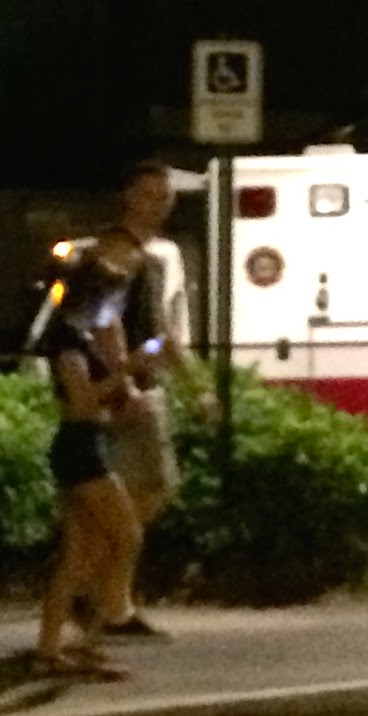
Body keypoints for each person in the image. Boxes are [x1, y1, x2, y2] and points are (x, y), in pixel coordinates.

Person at [77, 161, 213, 638]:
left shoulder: (151, 257)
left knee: (140, 495)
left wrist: (194, 384)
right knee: (141, 496)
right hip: (124, 395)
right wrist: (126, 385)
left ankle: (101, 594)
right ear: (128, 196)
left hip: (139, 387)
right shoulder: (117, 252)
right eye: (151, 194)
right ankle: (104, 598)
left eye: (166, 196)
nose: (161, 204)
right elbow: (103, 322)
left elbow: (160, 332)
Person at [31, 242, 147, 680]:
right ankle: (91, 631)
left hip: (86, 444)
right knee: (125, 536)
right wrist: (127, 370)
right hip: (81, 449)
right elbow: (81, 402)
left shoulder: (76, 337)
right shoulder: (67, 342)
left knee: (80, 552)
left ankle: (55, 649)